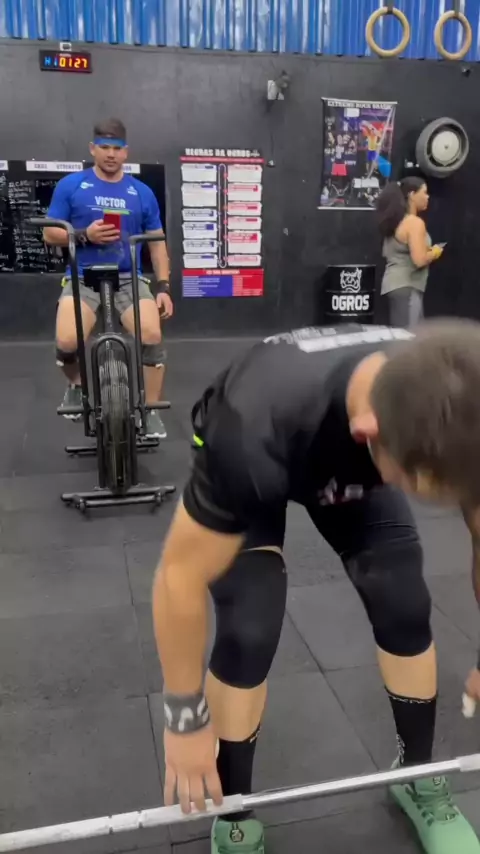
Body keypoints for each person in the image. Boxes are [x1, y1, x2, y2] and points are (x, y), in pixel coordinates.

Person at [152, 320, 480, 854]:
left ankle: (417, 775)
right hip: (272, 444)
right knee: (250, 625)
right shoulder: (248, 428)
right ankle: (235, 814)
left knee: (403, 599)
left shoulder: (460, 408)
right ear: (369, 433)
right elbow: (179, 576)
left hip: (360, 441)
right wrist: (184, 718)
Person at [44, 118, 172, 440]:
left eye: (117, 148)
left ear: (126, 152)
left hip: (128, 277)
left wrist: (163, 287)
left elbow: (157, 243)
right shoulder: (72, 185)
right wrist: (84, 234)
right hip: (83, 277)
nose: (111, 154)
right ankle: (77, 385)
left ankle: (150, 410)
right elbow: (49, 233)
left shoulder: (141, 192)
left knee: (152, 335)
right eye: (104, 147)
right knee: (67, 342)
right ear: (93, 149)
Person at [377, 177, 443, 329]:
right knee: (409, 335)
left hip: (396, 285)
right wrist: (435, 252)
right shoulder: (414, 223)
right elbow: (419, 260)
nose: (427, 197)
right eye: (424, 192)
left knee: (408, 333)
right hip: (406, 286)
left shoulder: (397, 220)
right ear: (412, 195)